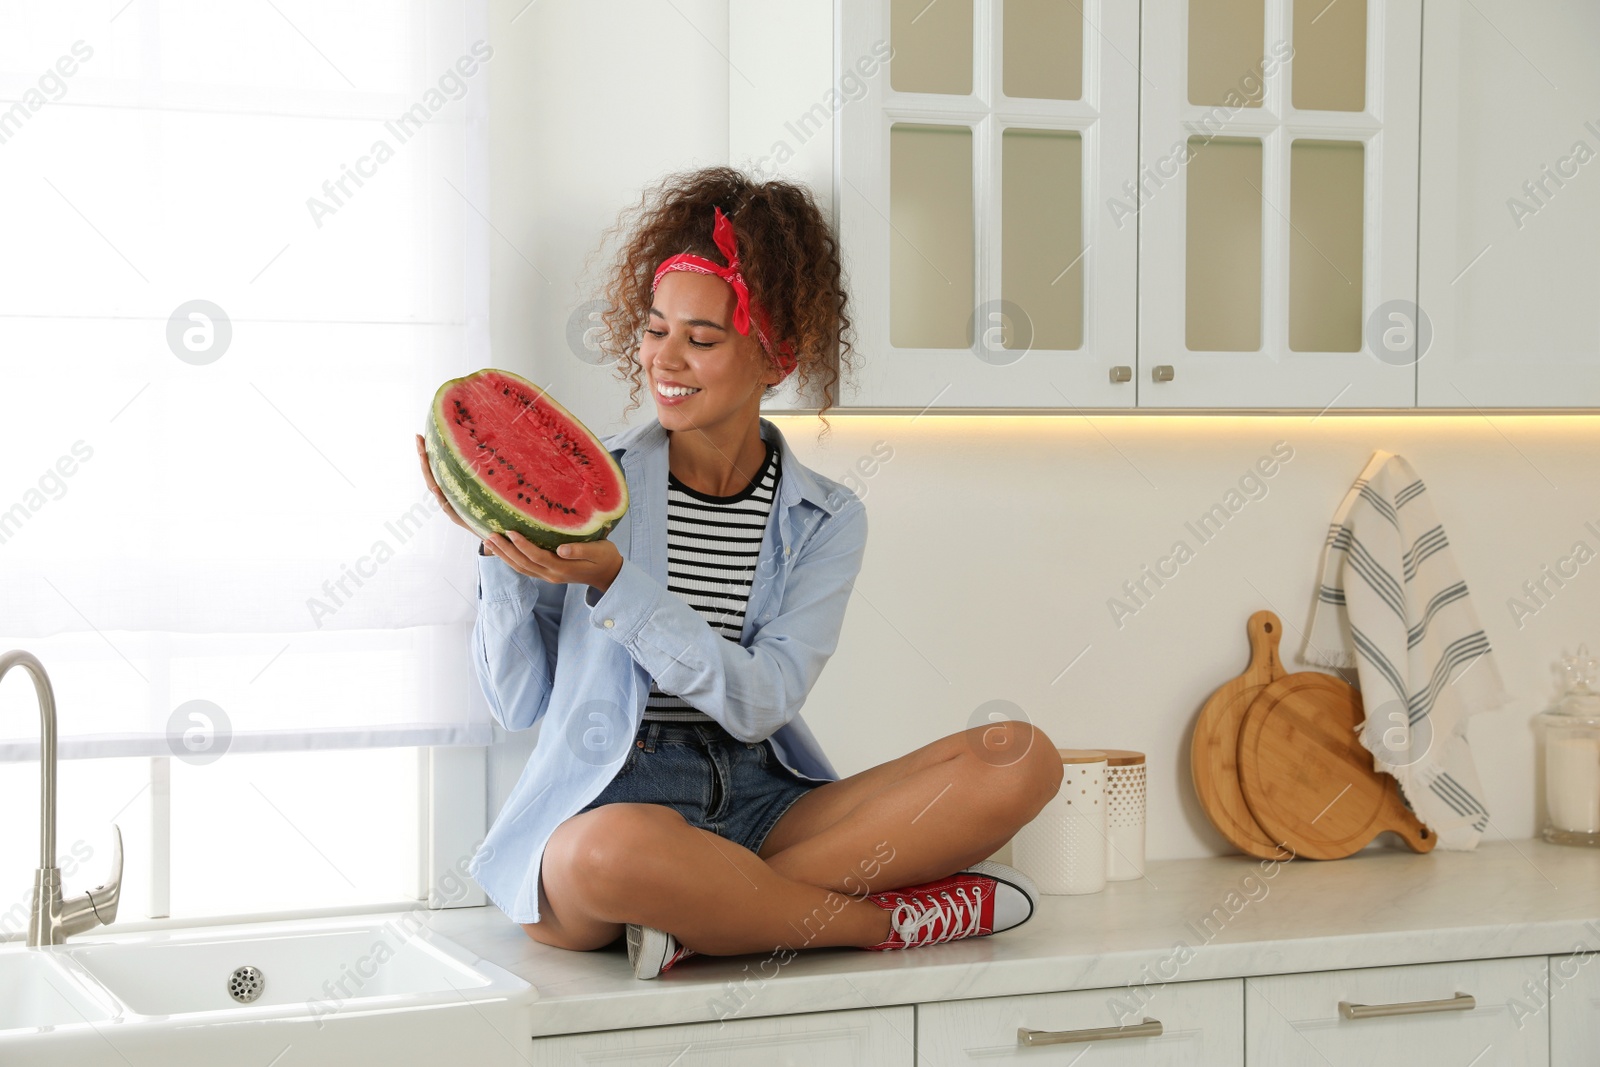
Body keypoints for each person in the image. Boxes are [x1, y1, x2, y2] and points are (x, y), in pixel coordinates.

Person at [415, 166, 1063, 980]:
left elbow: (760, 704)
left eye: (702, 338)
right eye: (654, 329)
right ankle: (877, 923)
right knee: (611, 854)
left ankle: (709, 915)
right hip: (615, 801)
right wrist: (497, 547)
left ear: (776, 355)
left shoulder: (825, 518)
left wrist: (624, 588)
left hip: (760, 797)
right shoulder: (596, 486)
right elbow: (519, 704)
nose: (665, 359)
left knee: (1022, 756)